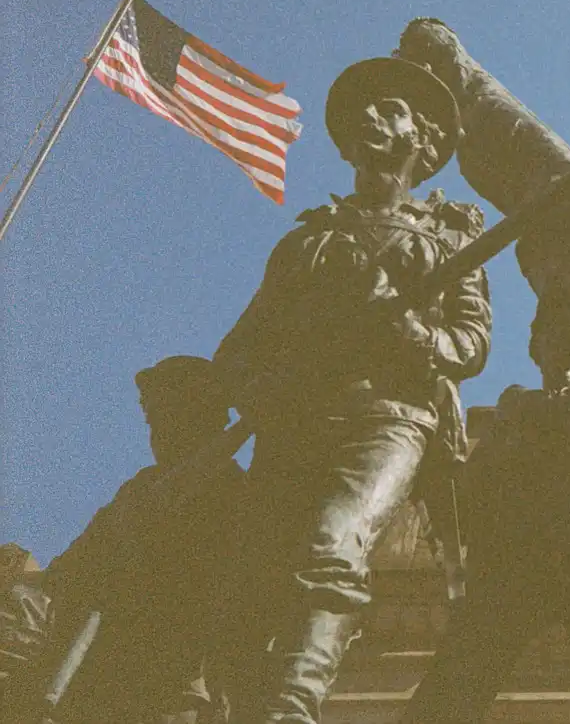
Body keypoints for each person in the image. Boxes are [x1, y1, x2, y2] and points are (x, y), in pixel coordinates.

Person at [212, 57, 491, 724]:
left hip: (391, 418)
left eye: (388, 110)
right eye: (363, 113)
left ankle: (293, 706)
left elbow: (470, 345)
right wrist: (261, 388)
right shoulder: (310, 239)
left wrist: (409, 332)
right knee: (255, 577)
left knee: (334, 537)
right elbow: (239, 349)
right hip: (296, 419)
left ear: (421, 137)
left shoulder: (451, 237)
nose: (370, 117)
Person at [0, 356, 246, 724]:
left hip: (172, 689)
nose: (159, 433)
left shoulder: (234, 495)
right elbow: (69, 568)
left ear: (208, 419)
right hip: (99, 680)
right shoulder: (139, 490)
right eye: (154, 421)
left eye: (171, 417)